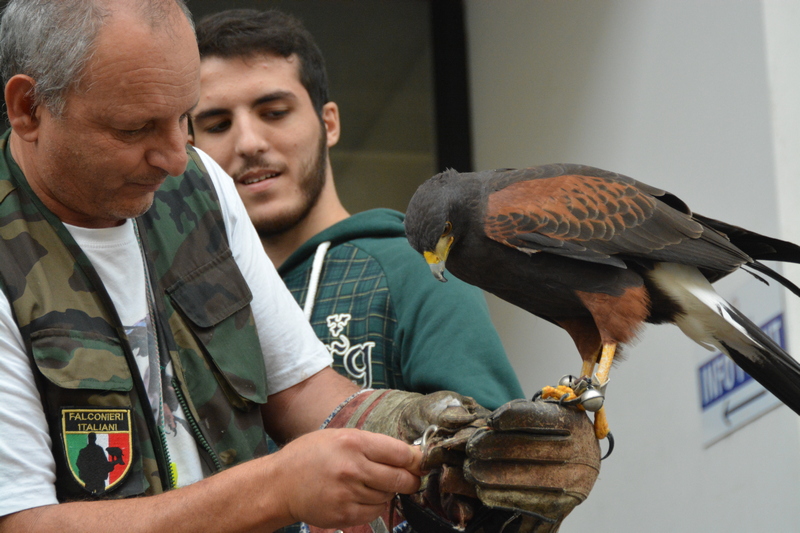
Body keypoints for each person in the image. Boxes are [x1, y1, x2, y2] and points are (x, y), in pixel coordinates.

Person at [0, 2, 599, 532]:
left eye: (183, 119)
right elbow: (23, 523)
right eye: (134, 128)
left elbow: (305, 392)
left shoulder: (201, 188)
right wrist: (277, 489)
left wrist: (434, 434)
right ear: (29, 108)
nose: (177, 158)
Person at [189, 8, 525, 410]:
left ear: (329, 124)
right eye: (217, 125)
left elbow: (492, 443)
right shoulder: (188, 301)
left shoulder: (419, 274)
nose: (248, 143)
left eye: (274, 113)